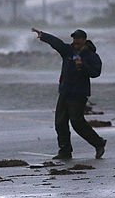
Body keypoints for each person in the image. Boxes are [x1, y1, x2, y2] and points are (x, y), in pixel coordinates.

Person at [31, 27, 107, 160]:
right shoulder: (68, 51)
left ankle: (98, 143)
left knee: (77, 122)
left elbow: (96, 73)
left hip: (79, 93)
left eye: (78, 38)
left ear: (84, 40)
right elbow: (57, 43)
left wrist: (82, 66)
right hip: (65, 91)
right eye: (74, 38)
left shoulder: (91, 55)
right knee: (60, 123)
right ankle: (65, 151)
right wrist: (43, 36)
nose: (76, 41)